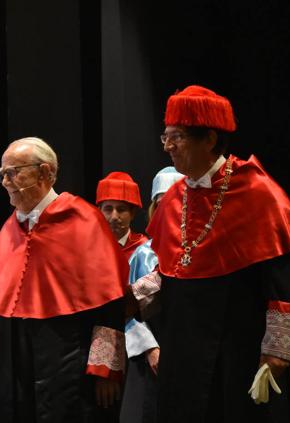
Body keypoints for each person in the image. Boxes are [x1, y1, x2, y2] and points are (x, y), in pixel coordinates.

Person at [128, 85, 290, 422]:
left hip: (238, 347)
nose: (168, 147)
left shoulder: (257, 192)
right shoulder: (174, 198)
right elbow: (171, 271)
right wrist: (131, 298)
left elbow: (284, 282)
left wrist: (277, 351)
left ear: (209, 139)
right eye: (165, 137)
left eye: (177, 137)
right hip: (183, 350)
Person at [0, 137, 128, 423]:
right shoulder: (11, 227)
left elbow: (109, 303)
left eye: (14, 172)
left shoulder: (84, 220)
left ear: (45, 173)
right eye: (2, 174)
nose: (6, 181)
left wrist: (105, 371)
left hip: (67, 360)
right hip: (12, 366)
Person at [120, 167, 184, 423]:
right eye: (161, 203)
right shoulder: (144, 253)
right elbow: (129, 311)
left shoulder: (201, 248)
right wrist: (150, 349)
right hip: (151, 357)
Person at [96, 172, 149, 260]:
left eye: (121, 209)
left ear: (132, 213)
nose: (114, 217)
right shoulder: (90, 247)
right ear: (99, 211)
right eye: (108, 209)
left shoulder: (144, 251)